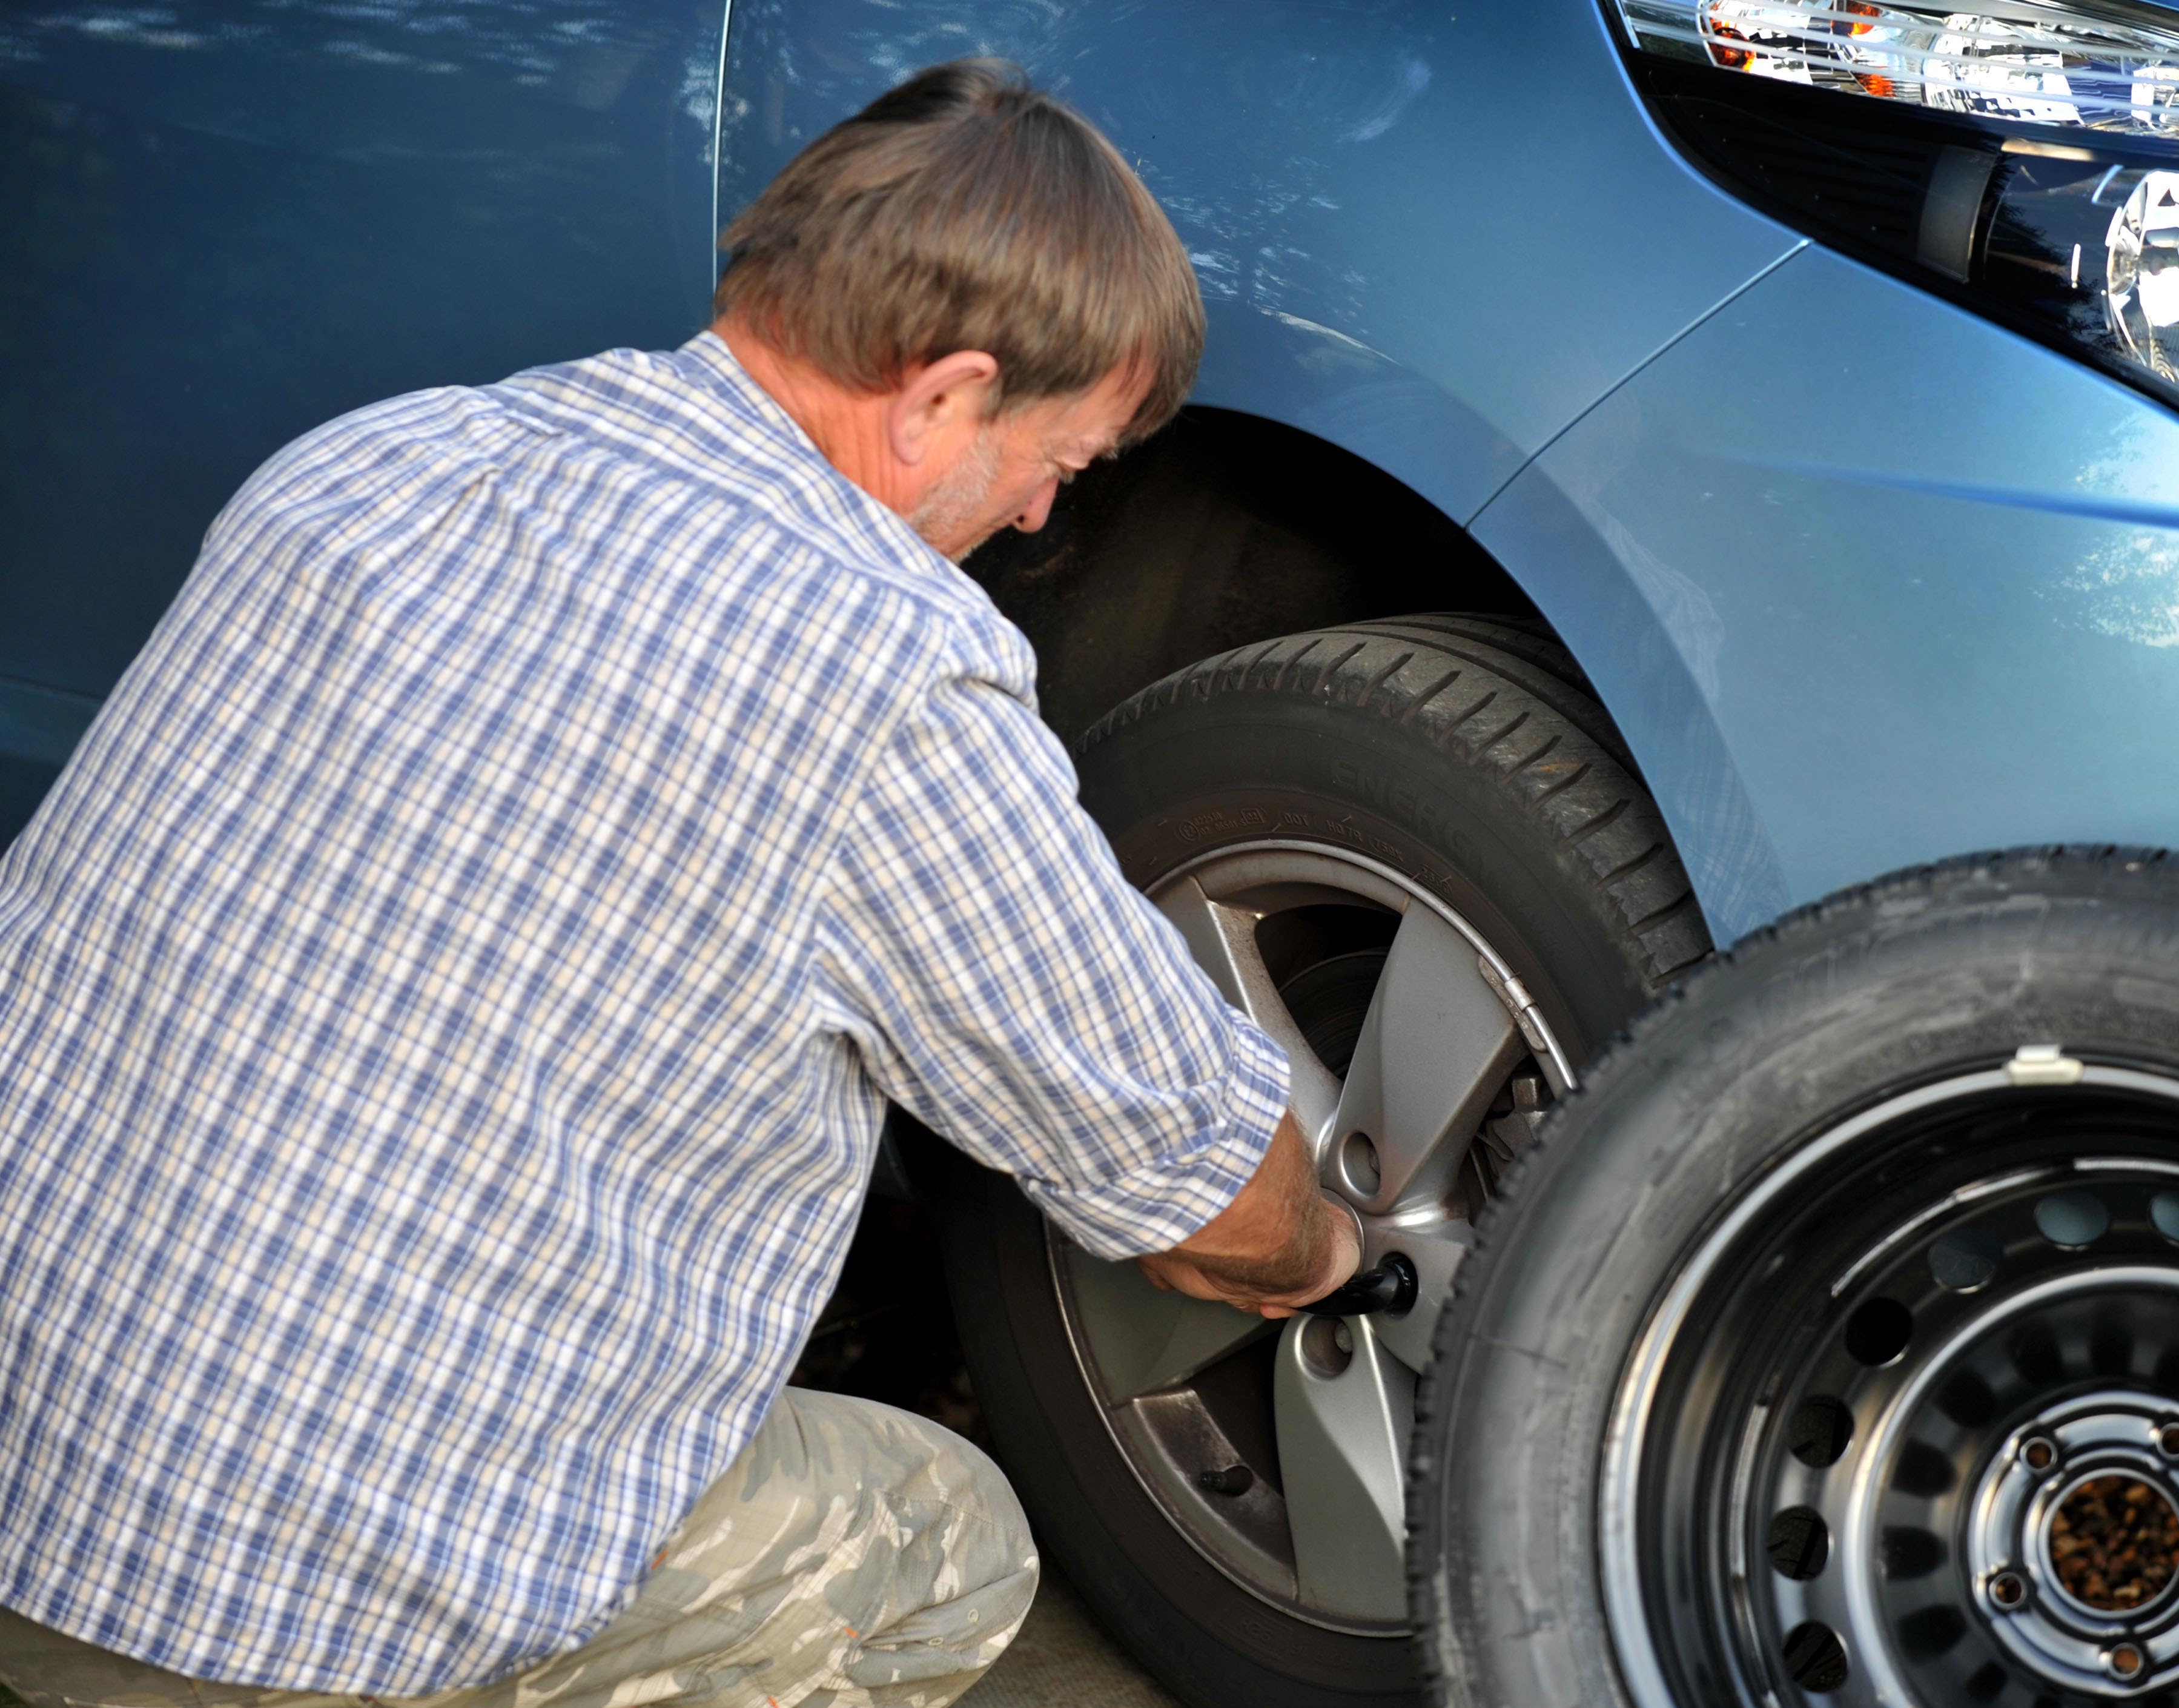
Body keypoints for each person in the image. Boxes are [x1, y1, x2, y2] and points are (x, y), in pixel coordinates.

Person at [0, 59, 1360, 1708]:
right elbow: (1195, 1176)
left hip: (25, 1476)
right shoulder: (880, 672)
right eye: (1056, 460)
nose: (1038, 513)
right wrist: (1332, 1253)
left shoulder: (366, 465)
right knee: (945, 1537)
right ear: (943, 395)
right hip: (279, 1621)